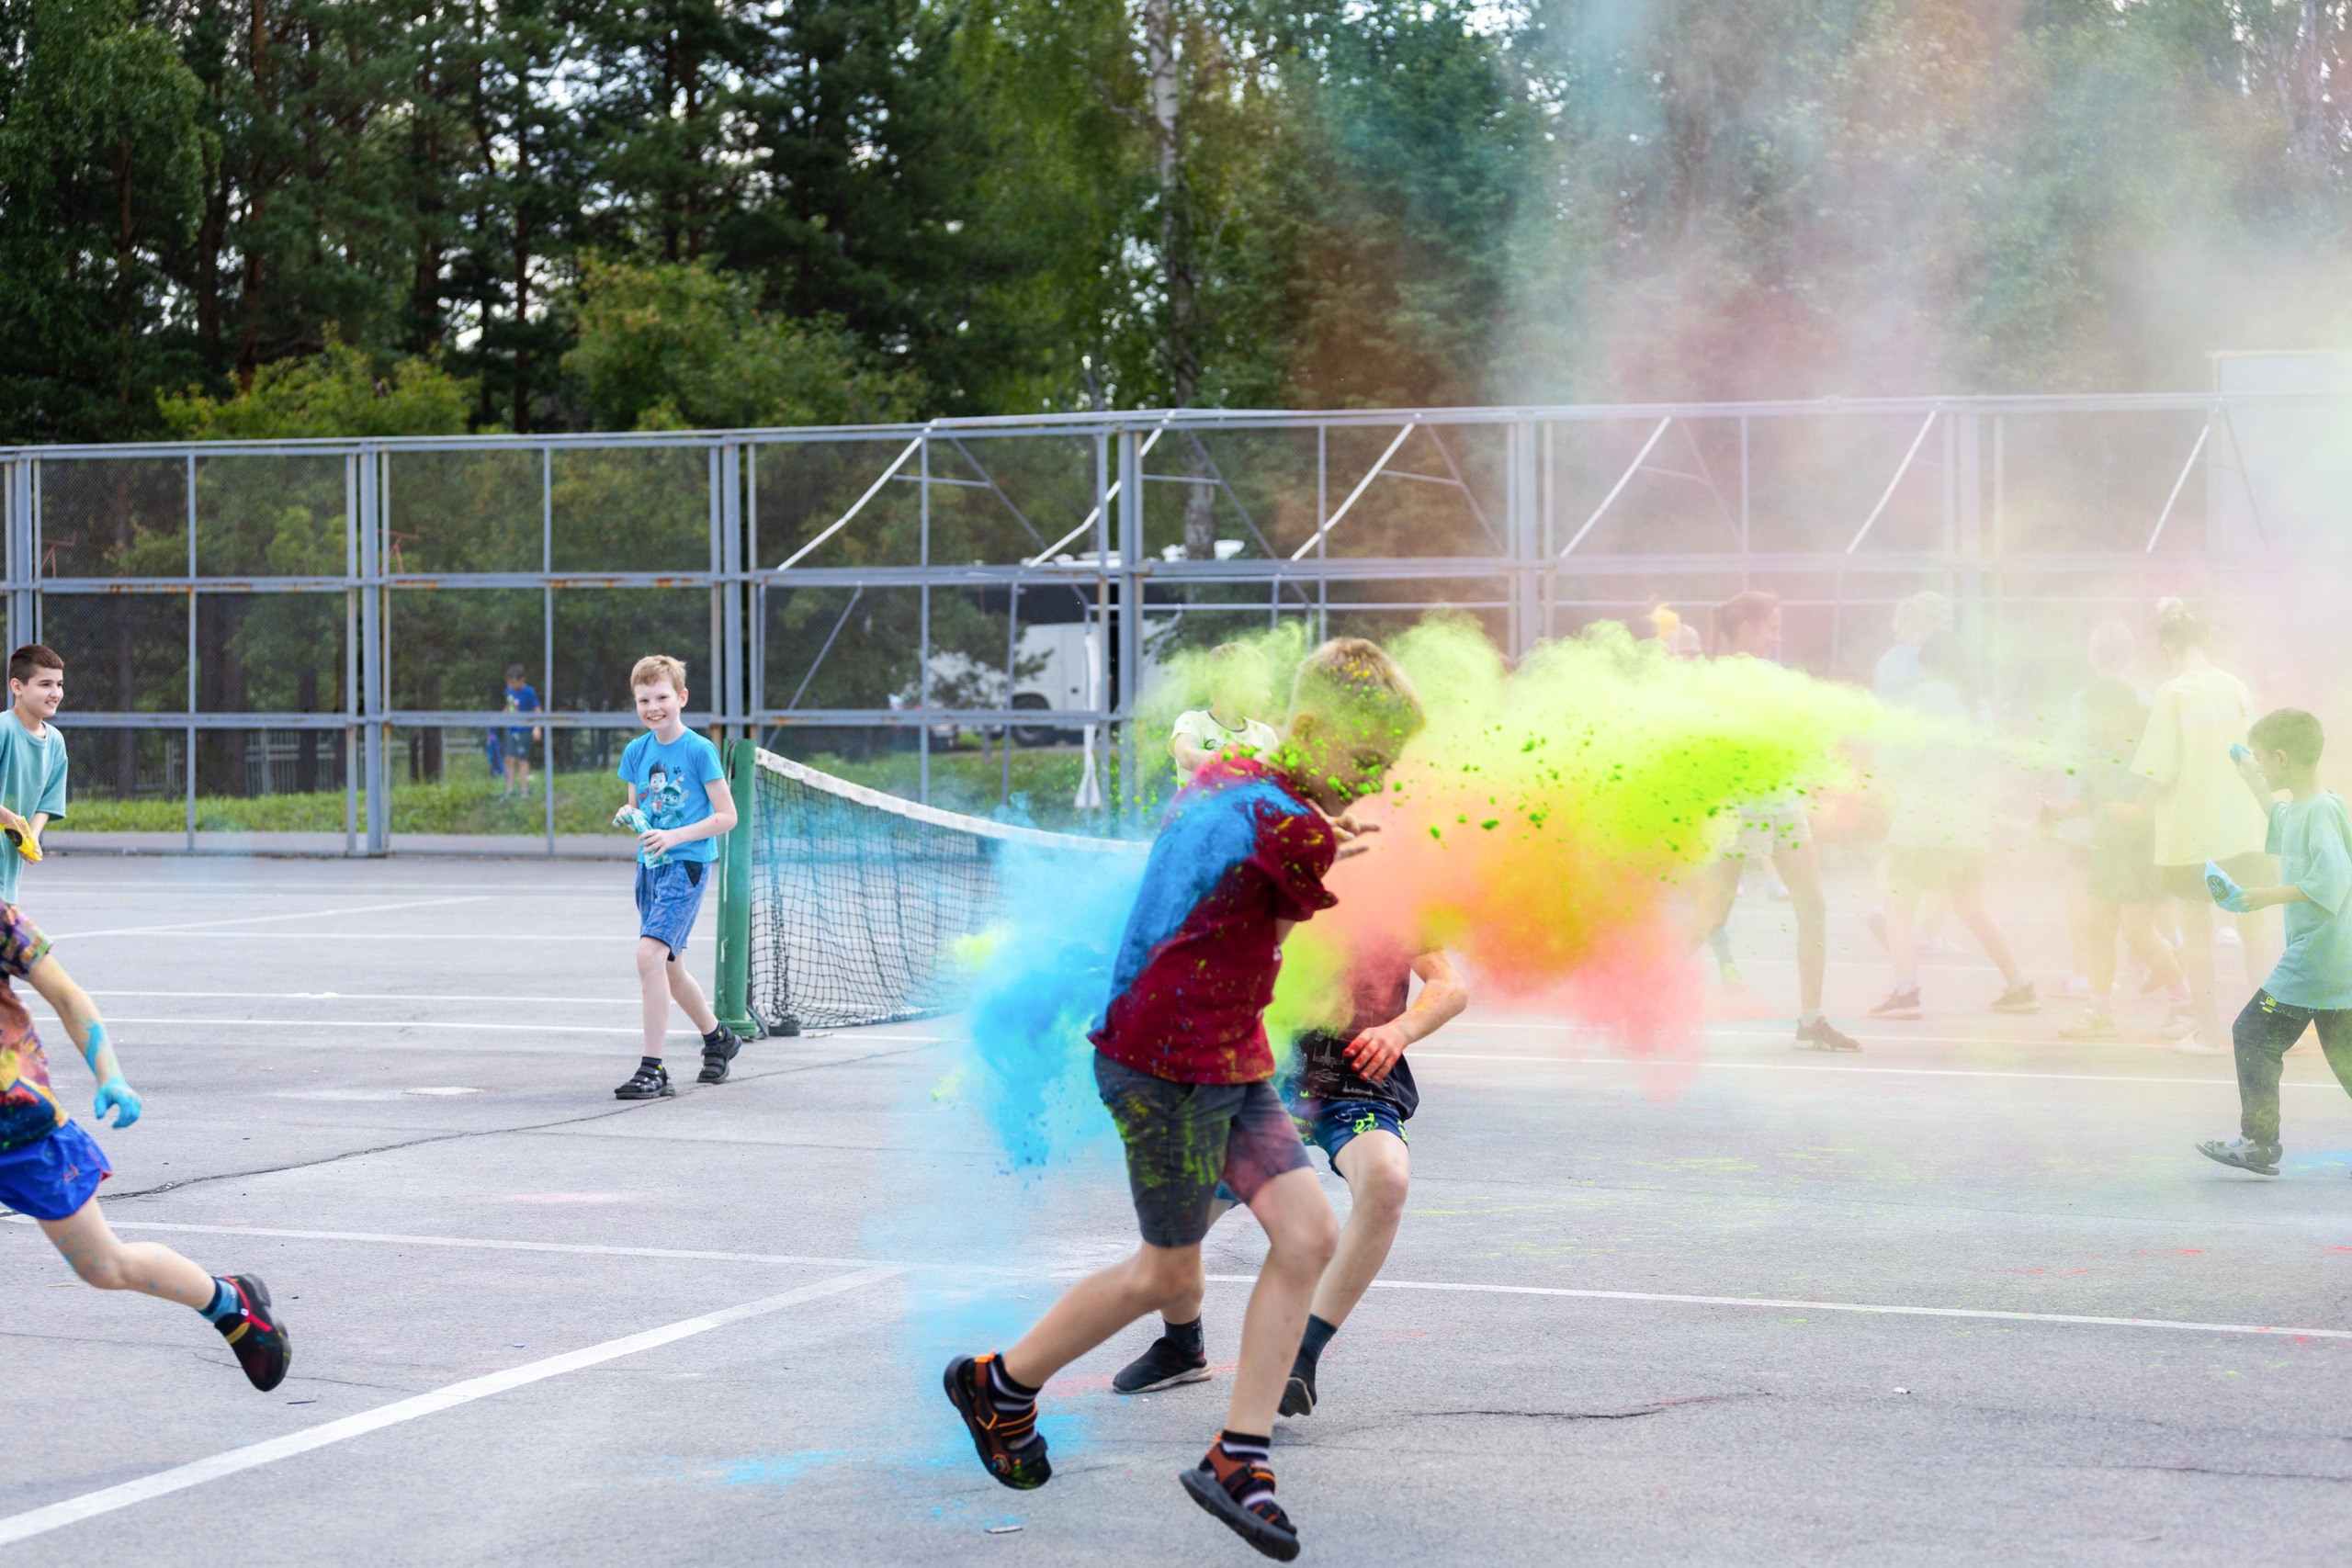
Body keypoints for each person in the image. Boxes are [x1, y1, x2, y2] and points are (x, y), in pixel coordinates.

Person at [944, 637, 1422, 1562]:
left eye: (1385, 771)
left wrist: (1322, 831)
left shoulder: (1243, 784)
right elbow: (1290, 853)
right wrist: (1325, 841)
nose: (1370, 784)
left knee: (1310, 1234)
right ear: (1313, 729)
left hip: (1227, 1057)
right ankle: (998, 1384)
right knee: (1167, 1275)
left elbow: (1261, 854)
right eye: (1364, 761)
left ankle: (1238, 1459)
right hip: (1163, 1067)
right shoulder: (1280, 816)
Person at [1111, 944, 1468, 1416]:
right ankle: (1181, 1347)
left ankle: (1301, 1353)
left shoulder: (1395, 890)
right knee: (1175, 1227)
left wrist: (1400, 1029)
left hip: (1359, 1083)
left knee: (1386, 1180)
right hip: (1264, 1080)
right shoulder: (1278, 879)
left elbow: (1449, 986)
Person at [0, 902, 291, 1390]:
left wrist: (109, 1074)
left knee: (104, 1266)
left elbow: (68, 996)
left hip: (20, 1127)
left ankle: (229, 1304)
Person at [1685, 591, 1860, 1052]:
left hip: (1775, 805)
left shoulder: (1712, 678)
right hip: (1748, 808)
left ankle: (1810, 1019)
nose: (1775, 639)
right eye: (1771, 629)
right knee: (1721, 914)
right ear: (1744, 629)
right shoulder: (1745, 677)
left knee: (1801, 907)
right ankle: (1641, 997)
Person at [2196, 709, 2352, 1176]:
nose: (2261, 765)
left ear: (2282, 757)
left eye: (2263, 759)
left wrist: (2257, 897)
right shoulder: (2316, 805)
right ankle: (2259, 1141)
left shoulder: (2320, 811)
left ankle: (2260, 1141)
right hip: (2338, 958)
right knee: (2345, 1057)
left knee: (2253, 1032)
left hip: (2316, 955)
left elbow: (2328, 882)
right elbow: (2281, 818)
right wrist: (2249, 777)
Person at [2132, 599, 2276, 1055]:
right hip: (2246, 830)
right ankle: (2268, 1033)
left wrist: (2137, 810)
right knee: (2255, 932)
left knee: (2196, 934)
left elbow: (2159, 769)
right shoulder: (2235, 687)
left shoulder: (2173, 694)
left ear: (2167, 645)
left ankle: (2212, 1035)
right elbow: (2255, 759)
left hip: (2192, 835)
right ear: (2207, 640)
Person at [1871, 629, 2039, 1020]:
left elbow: (1896, 755)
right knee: (1972, 907)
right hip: (1969, 823)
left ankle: (1906, 992)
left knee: (1899, 906)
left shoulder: (1924, 697)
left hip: (1924, 822)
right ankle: (2019, 986)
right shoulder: (1978, 705)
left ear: (1930, 665)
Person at [611, 655, 743, 1100]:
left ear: (681, 698)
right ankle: (718, 1038)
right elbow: (641, 810)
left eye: (662, 697)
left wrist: (675, 836)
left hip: (685, 868)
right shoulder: (636, 752)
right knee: (670, 968)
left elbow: (727, 816)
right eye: (644, 699)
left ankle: (654, 1069)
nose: (653, 706)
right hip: (650, 868)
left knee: (649, 956)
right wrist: (630, 815)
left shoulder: (698, 750)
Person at [2037, 679, 2186, 1039]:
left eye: (2096, 718)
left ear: (2119, 716)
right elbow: (2091, 799)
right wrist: (2057, 812)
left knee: (2137, 933)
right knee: (2098, 930)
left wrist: (2136, 812)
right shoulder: (2101, 751)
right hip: (2106, 853)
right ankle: (2099, 1011)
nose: (2092, 726)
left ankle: (2185, 1004)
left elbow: (2165, 803)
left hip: (2141, 856)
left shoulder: (2148, 750)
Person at [2049, 622, 2143, 1000]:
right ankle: (2148, 963)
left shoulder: (2081, 700)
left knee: (2081, 893)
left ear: (2092, 655)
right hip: (2132, 812)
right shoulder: (2144, 699)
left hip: (2085, 812)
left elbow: (2061, 752)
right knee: (2139, 896)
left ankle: (2085, 975)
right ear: (2132, 655)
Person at [0, 644, 70, 900]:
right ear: (18, 687)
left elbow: (49, 800)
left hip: (8, 873)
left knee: (15, 938)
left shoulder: (55, 743)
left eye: (59, 684)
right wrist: (7, 817)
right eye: (45, 684)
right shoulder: (3, 729)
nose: (55, 693)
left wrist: (33, 836)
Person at [1170, 642, 1280, 783]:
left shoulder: (1265, 735)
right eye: (1260, 686)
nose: (1268, 695)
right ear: (1233, 687)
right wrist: (1247, 761)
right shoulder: (1193, 722)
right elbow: (1187, 756)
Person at [501, 664, 543, 799]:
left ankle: (524, 790)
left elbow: (537, 710)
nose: (511, 685)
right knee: (509, 759)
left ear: (522, 680)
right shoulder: (509, 690)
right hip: (511, 729)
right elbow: (510, 706)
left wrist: (537, 727)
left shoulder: (529, 692)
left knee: (522, 760)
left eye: (514, 682)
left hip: (524, 730)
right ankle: (510, 789)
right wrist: (502, 716)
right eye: (509, 682)